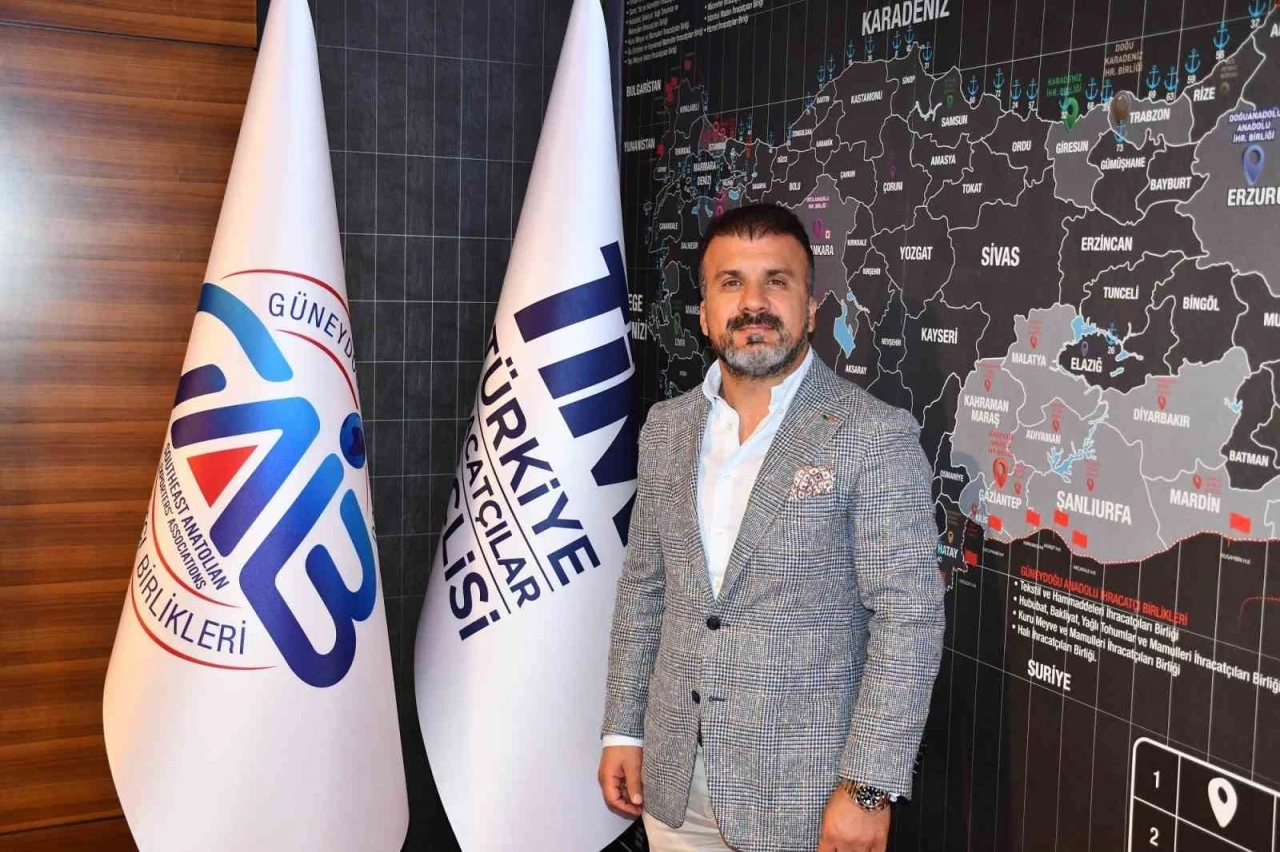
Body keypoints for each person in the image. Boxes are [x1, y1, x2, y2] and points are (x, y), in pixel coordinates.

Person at [598, 203, 945, 852]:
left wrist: (868, 789)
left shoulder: (874, 435)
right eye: (731, 283)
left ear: (809, 308)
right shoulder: (666, 429)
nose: (753, 303)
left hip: (805, 799)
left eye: (776, 282)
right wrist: (624, 729)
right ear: (704, 313)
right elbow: (645, 589)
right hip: (674, 787)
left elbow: (909, 620)